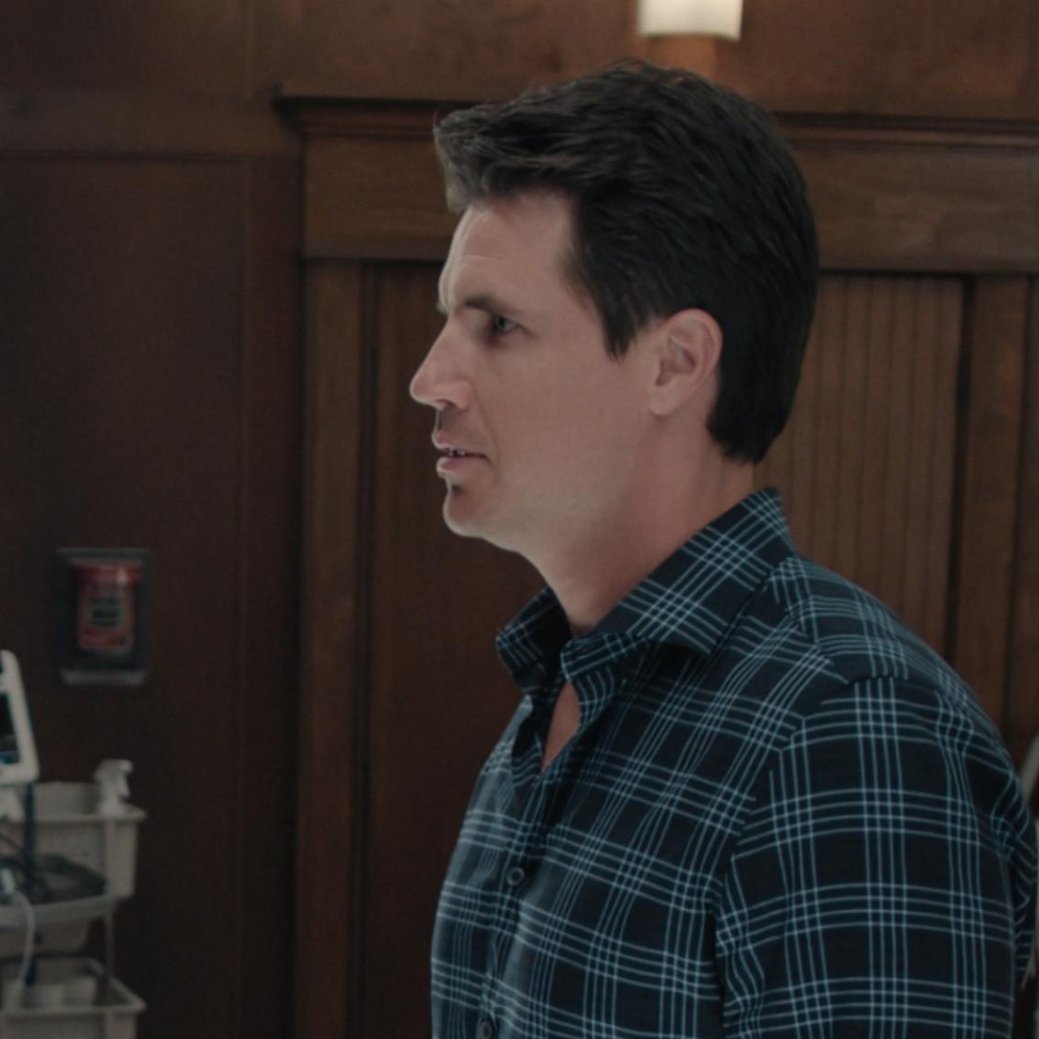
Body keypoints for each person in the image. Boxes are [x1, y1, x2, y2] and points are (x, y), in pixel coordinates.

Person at [409, 61, 1036, 1038]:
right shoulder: (567, 688)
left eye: (497, 325)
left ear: (674, 363)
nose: (430, 378)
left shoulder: (847, 736)